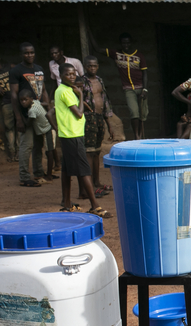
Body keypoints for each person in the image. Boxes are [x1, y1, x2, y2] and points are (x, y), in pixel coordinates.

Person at [54, 63, 110, 217]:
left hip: (69, 134)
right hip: (72, 135)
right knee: (84, 170)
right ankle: (95, 206)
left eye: (73, 74)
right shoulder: (66, 92)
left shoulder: (65, 90)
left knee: (66, 170)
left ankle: (66, 204)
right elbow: (79, 113)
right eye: (68, 74)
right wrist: (80, 95)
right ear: (60, 76)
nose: (72, 77)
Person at [91, 31, 148, 141]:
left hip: (141, 87)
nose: (126, 45)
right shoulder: (116, 54)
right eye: (123, 43)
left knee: (143, 114)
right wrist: (89, 32)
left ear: (131, 43)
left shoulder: (139, 55)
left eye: (127, 43)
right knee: (134, 112)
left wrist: (145, 89)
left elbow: (145, 73)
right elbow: (98, 49)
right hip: (128, 89)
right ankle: (137, 136)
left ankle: (141, 135)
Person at [9, 42, 49, 187]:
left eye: (31, 52)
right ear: (21, 54)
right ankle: (24, 177)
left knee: (39, 145)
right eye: (26, 53)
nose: (29, 55)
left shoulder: (39, 69)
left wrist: (48, 108)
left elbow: (43, 90)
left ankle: (39, 173)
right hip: (25, 114)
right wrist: (19, 118)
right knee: (26, 145)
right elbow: (13, 95)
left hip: (39, 113)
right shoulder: (16, 71)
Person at [80, 56, 114, 196]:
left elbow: (105, 101)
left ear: (97, 66)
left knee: (97, 151)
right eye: (89, 66)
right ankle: (89, 187)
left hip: (99, 118)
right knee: (89, 151)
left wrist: (109, 123)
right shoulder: (81, 82)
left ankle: (97, 182)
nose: (92, 68)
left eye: (94, 66)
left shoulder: (99, 80)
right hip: (89, 118)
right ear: (85, 66)